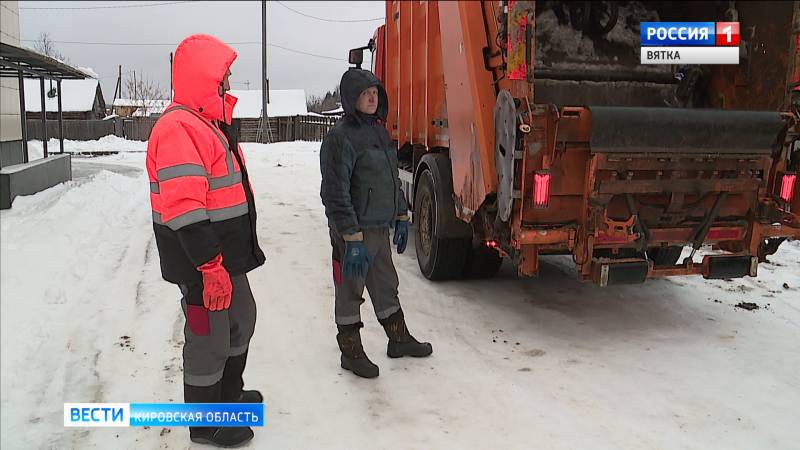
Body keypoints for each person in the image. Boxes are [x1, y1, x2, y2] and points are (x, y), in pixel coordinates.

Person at [146, 34, 265, 447]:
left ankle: (228, 399)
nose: (229, 82)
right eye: (224, 75)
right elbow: (185, 210)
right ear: (203, 77)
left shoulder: (207, 125)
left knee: (240, 320)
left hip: (225, 260)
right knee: (209, 340)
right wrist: (210, 268)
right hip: (202, 264)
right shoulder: (179, 128)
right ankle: (205, 422)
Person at [320, 68, 433, 379]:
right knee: (350, 289)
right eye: (365, 93)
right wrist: (350, 237)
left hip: (378, 228)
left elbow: (390, 179)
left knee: (385, 283)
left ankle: (398, 338)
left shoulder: (380, 133)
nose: (372, 98)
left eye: (375, 93)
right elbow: (334, 192)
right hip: (353, 232)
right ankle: (351, 351)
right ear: (350, 98)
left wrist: (400, 215)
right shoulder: (339, 138)